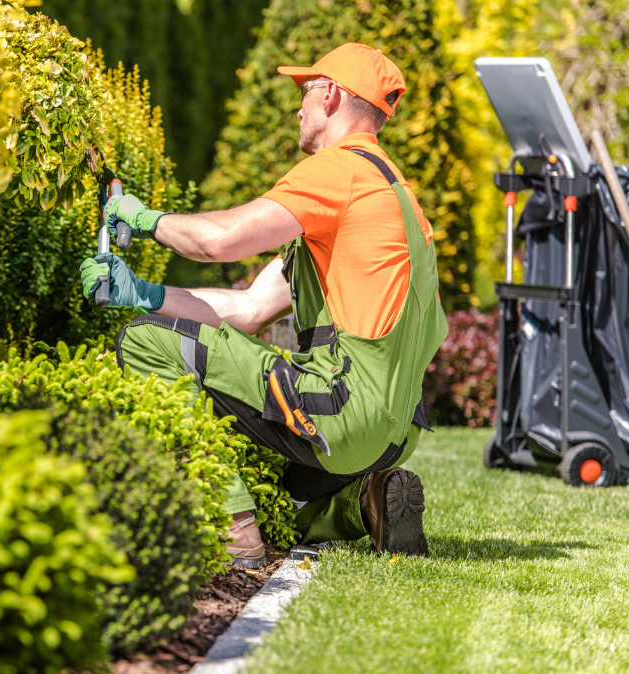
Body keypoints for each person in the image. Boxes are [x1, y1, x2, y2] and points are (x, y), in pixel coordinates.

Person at [79, 43, 449, 567]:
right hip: (392, 433)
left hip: (342, 412)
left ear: (332, 96)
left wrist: (144, 219)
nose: (297, 107)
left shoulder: (339, 171)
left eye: (305, 91)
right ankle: (363, 504)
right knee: (272, 485)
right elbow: (250, 308)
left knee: (143, 341)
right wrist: (142, 293)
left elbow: (219, 241)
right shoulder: (393, 196)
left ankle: (230, 529)